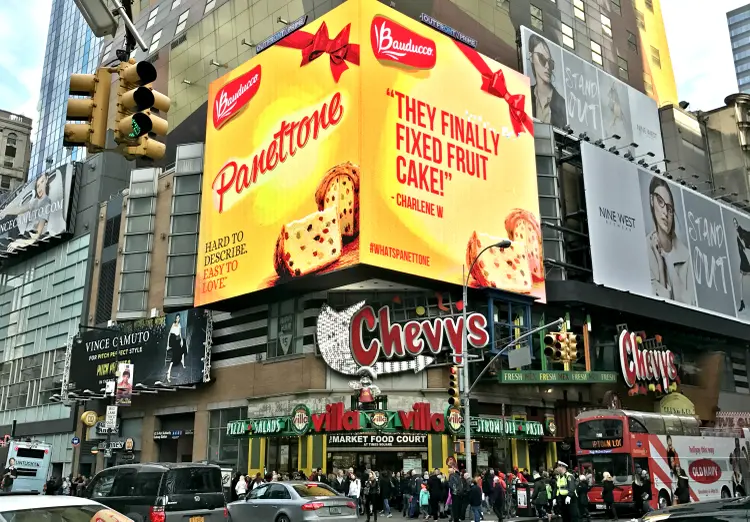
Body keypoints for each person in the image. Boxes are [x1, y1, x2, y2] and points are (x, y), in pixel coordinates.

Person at [646, 176, 695, 305]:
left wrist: (666, 259)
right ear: (652, 200)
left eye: (670, 208)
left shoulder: (685, 255)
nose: (665, 213)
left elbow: (689, 304)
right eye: (660, 201)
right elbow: (662, 304)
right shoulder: (645, 248)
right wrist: (661, 267)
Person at [527, 34, 566, 128]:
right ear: (531, 57)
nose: (547, 66)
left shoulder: (561, 104)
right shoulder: (526, 94)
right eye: (541, 58)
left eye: (550, 62)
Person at [733, 218, 750, 312]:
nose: (735, 224)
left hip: (747, 261)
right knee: (740, 281)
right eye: (734, 223)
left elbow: (744, 244)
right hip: (743, 260)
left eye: (736, 223)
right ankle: (742, 302)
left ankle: (743, 302)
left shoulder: (741, 232)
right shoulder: (738, 232)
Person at [166, 315, 186, 383]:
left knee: (182, 346)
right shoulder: (173, 324)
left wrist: (181, 341)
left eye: (179, 318)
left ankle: (182, 361)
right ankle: (168, 372)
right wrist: (168, 344)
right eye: (177, 318)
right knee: (175, 355)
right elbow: (169, 334)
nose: (178, 319)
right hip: (172, 339)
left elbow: (180, 333)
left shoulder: (179, 324)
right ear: (175, 318)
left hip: (177, 339)